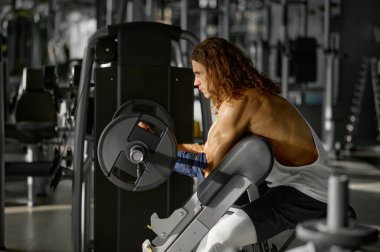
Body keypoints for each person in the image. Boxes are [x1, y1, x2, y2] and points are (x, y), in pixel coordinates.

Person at [172, 37, 332, 252]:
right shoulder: (243, 96)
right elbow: (206, 152)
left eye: (199, 73)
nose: (195, 82)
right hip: (293, 187)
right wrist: (163, 146)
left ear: (218, 70)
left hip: (307, 193)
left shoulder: (240, 103)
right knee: (216, 230)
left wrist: (159, 153)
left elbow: (207, 166)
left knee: (220, 237)